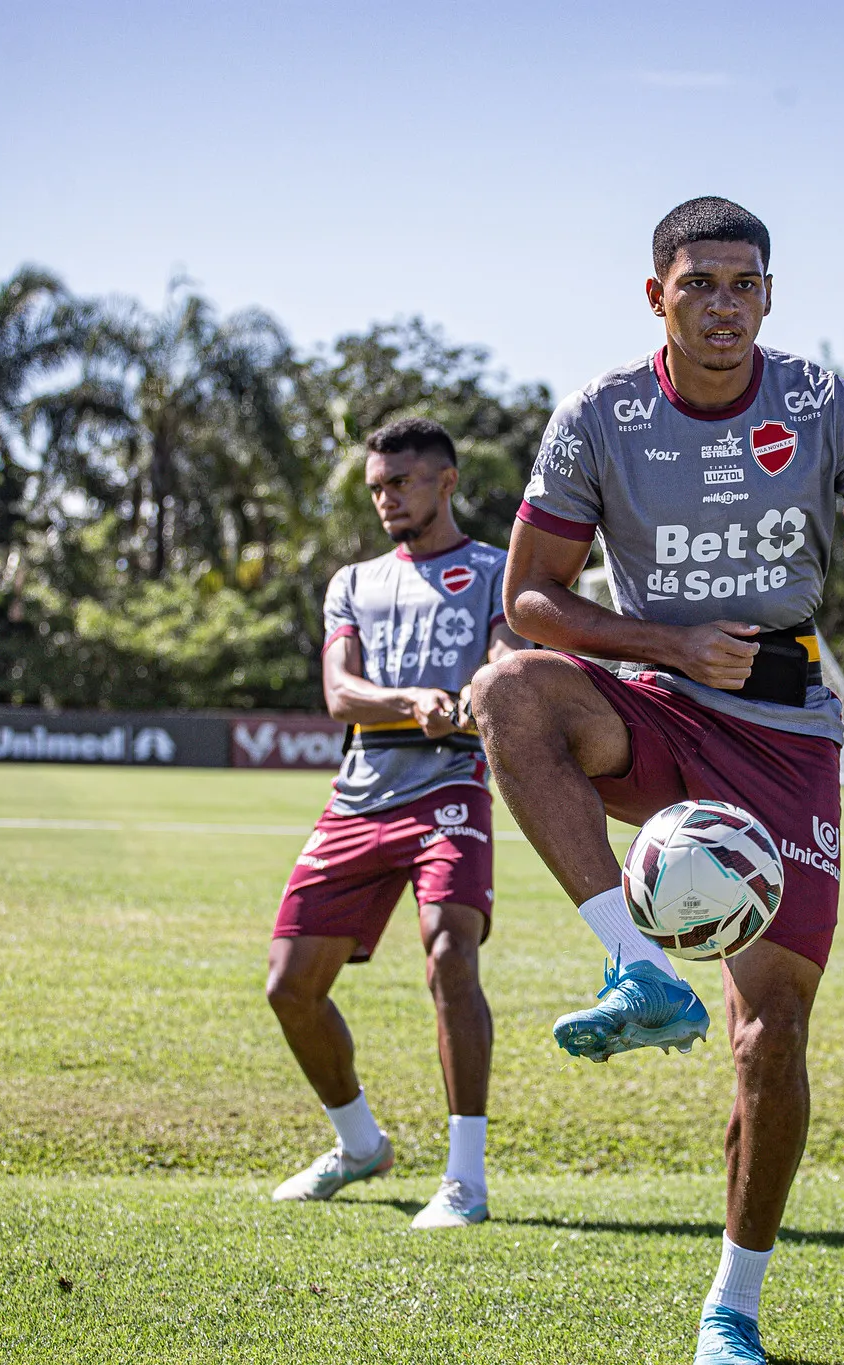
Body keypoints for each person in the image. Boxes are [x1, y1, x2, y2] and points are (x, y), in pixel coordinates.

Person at [473, 197, 844, 1365]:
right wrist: (668, 647)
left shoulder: (819, 405)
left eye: (742, 284)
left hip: (782, 732)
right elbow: (528, 601)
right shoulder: (598, 415)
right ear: (656, 296)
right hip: (651, 700)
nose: (722, 304)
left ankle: (730, 1311)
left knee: (772, 1038)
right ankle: (638, 971)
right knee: (508, 690)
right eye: (697, 283)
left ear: (767, 296)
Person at [265, 416, 523, 1230]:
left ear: (446, 482)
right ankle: (358, 1143)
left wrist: (475, 693)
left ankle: (466, 1181)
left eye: (401, 483)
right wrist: (411, 701)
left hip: (450, 788)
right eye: (376, 486)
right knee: (290, 987)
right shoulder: (354, 581)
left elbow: (506, 663)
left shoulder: (493, 570)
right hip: (358, 795)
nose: (385, 498)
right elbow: (340, 692)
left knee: (451, 951)